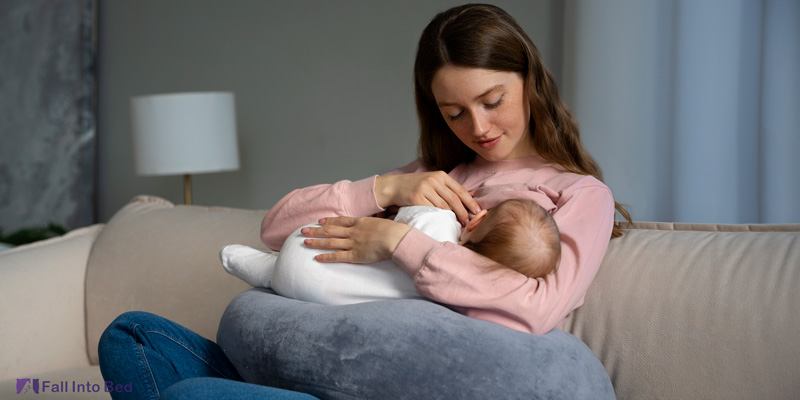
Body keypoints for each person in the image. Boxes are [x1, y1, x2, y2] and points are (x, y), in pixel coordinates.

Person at [97, 4, 630, 399]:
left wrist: (403, 241)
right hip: (315, 352)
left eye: (493, 101)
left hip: (403, 379)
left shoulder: (578, 194)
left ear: (530, 82)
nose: (479, 127)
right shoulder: (436, 174)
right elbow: (275, 230)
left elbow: (539, 307)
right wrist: (383, 191)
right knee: (131, 337)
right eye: (454, 113)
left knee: (191, 396)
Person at [221, 199, 561, 305]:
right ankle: (270, 272)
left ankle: (264, 269)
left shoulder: (438, 218)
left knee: (274, 268)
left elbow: (395, 220)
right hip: (318, 296)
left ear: (477, 219)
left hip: (309, 245)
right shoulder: (455, 293)